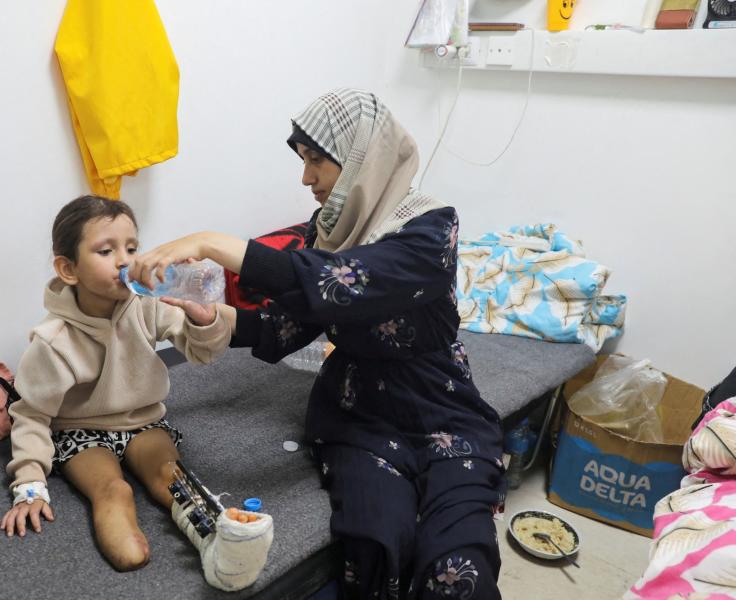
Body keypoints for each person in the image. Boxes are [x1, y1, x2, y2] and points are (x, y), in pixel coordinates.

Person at [129, 89, 506, 599]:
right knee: (372, 542)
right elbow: (286, 325)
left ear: (359, 161)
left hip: (443, 407)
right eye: (303, 161)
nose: (306, 178)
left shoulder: (431, 227)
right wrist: (213, 318)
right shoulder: (327, 231)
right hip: (358, 413)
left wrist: (215, 242)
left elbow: (344, 281)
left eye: (317, 162)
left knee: (456, 564)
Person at [0, 195, 235, 573]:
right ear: (68, 269)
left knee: (170, 477)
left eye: (132, 248)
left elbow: (202, 353)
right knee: (114, 489)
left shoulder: (147, 305)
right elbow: (30, 414)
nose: (126, 261)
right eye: (106, 251)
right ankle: (131, 554)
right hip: (80, 431)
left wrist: (202, 319)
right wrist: (29, 483)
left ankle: (222, 544)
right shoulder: (53, 340)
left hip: (143, 421)